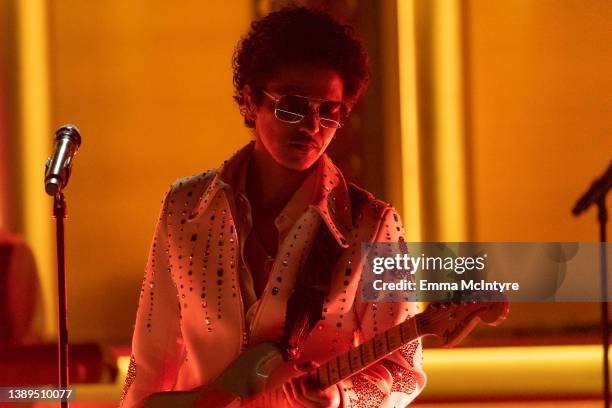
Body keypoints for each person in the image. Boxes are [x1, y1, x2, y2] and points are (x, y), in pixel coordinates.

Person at [121, 6, 426, 408]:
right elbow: (149, 364)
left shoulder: (371, 225)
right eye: (292, 107)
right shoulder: (185, 207)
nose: (312, 127)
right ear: (251, 100)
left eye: (329, 112)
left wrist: (342, 396)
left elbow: (405, 374)